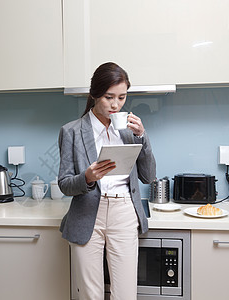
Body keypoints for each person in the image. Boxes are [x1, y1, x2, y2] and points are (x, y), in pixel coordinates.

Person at [58, 62, 156, 300]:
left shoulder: (129, 130)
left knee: (125, 294)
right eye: (108, 97)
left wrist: (142, 136)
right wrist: (87, 178)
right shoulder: (71, 131)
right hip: (87, 212)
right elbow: (64, 183)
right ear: (94, 95)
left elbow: (148, 176)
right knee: (90, 294)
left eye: (122, 98)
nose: (115, 105)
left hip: (124, 211)